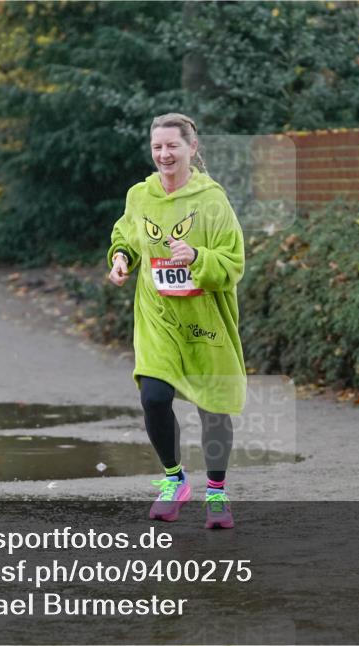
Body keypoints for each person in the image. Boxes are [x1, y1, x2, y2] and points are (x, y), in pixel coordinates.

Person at [107, 113, 246, 529]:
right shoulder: (140, 196)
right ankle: (174, 480)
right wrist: (121, 258)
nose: (164, 154)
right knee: (153, 397)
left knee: (213, 408)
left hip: (204, 319)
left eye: (172, 146)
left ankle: (217, 493)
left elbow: (233, 262)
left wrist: (198, 256)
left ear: (192, 148)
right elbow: (127, 235)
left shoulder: (212, 200)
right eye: (157, 147)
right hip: (158, 316)